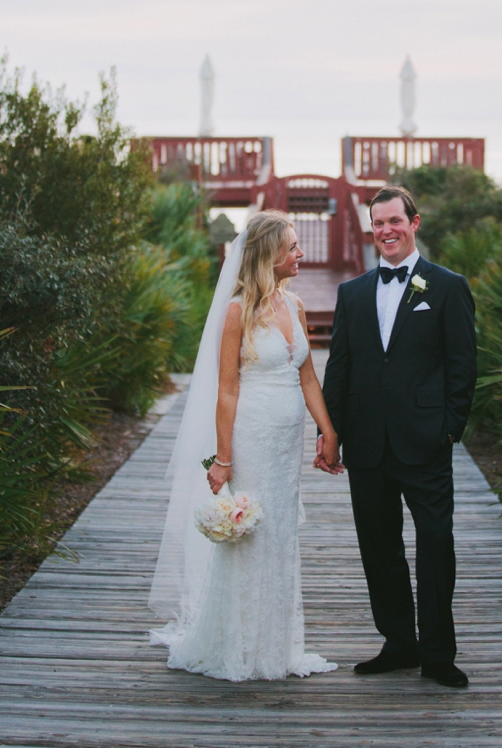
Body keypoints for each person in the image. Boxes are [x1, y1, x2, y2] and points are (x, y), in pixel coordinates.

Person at [149, 210, 342, 682]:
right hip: (251, 440)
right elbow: (227, 389)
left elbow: (308, 375)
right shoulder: (236, 311)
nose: (301, 254)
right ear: (268, 255)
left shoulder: (294, 307)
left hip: (286, 446)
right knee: (250, 537)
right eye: (292, 247)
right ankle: (236, 647)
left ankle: (274, 649)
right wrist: (223, 457)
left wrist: (330, 432)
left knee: (279, 538)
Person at [318, 185, 477, 688]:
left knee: (435, 545)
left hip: (425, 441)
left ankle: (437, 653)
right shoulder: (353, 292)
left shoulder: (448, 287)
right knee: (379, 547)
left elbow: (463, 366)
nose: (386, 230)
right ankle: (399, 644)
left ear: (415, 222)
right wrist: (332, 434)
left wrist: (449, 428)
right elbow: (339, 367)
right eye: (378, 223)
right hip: (366, 444)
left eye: (394, 221)